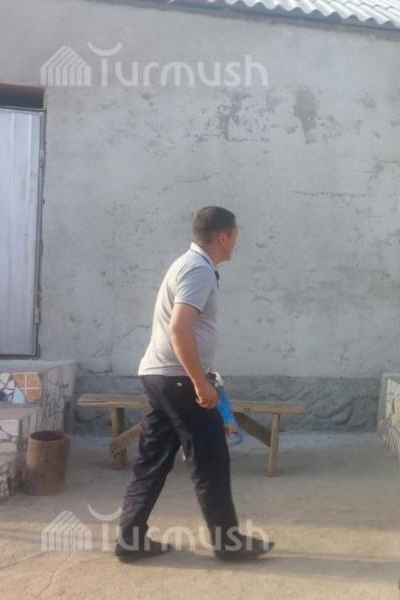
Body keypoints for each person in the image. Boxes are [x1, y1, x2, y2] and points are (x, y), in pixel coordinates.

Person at [115, 206, 273, 562]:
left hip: (161, 376)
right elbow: (179, 328)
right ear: (223, 236)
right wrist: (200, 382)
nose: (237, 242)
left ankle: (130, 540)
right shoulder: (198, 269)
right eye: (236, 235)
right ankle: (229, 544)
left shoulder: (189, 265)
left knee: (153, 460)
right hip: (179, 380)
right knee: (210, 459)